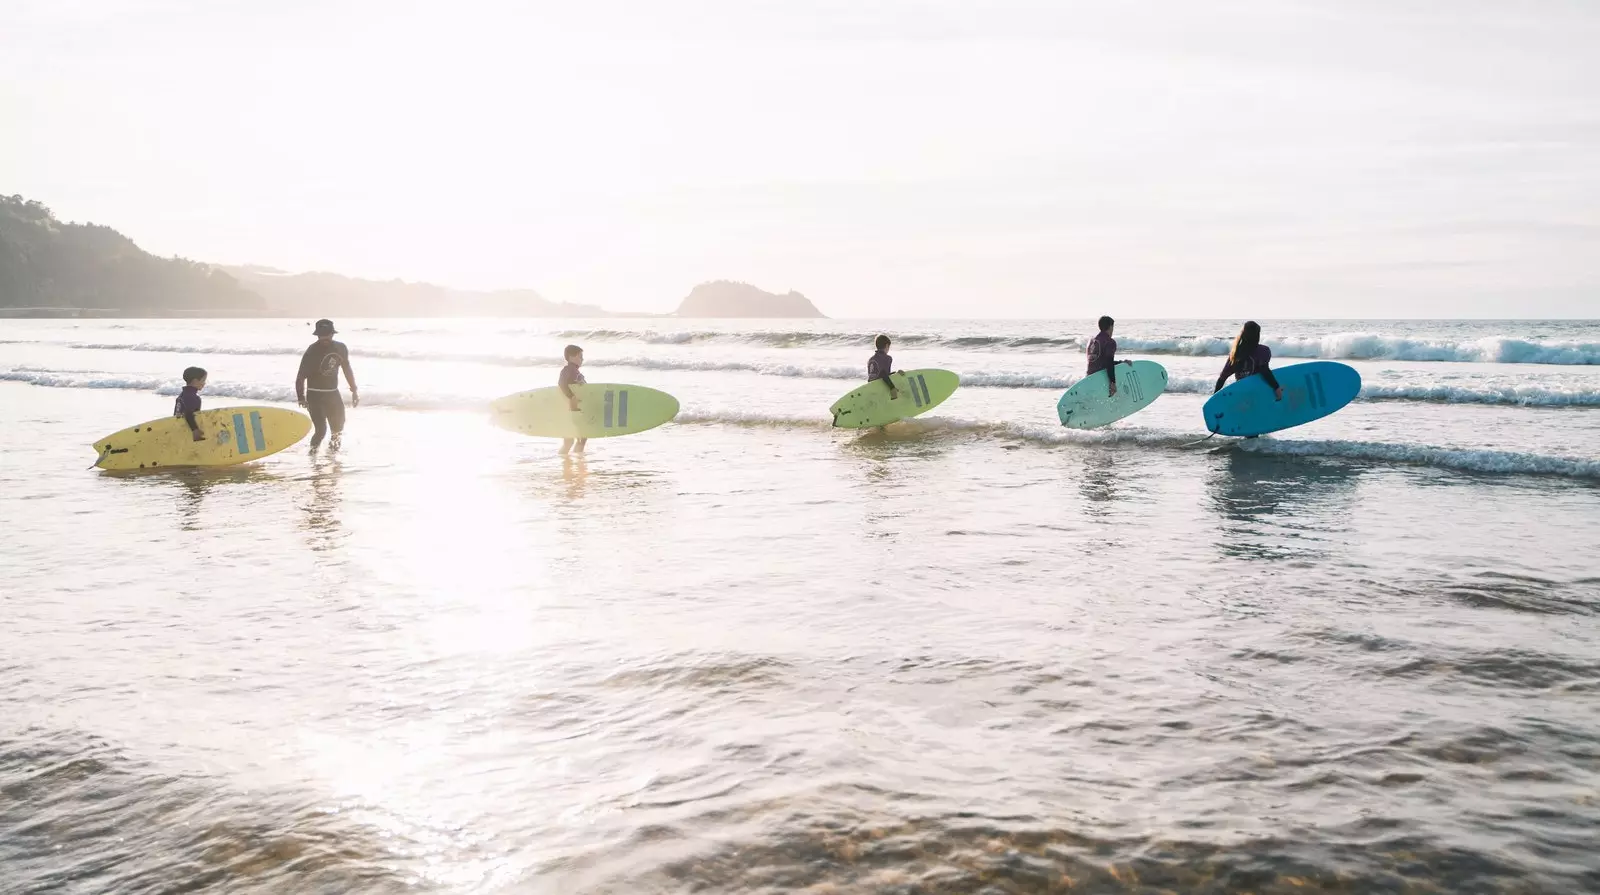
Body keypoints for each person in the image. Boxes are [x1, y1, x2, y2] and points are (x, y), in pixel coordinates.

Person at [295, 319, 359, 449]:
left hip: (333, 394)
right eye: (321, 335)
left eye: (327, 335)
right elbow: (301, 376)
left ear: (332, 334)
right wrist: (301, 397)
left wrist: (354, 390)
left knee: (338, 430)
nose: (324, 338)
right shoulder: (311, 351)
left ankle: (333, 459)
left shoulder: (340, 348)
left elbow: (346, 369)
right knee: (321, 431)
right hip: (314, 395)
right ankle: (312, 458)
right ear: (317, 335)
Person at [1214, 320, 1283, 401]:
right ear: (1257, 335)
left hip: (1242, 394)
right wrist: (1276, 387)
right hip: (1259, 392)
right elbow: (1265, 372)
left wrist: (1214, 397)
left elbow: (1222, 378)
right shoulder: (1263, 351)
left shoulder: (1235, 354)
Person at [558, 344, 587, 456]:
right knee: (573, 440)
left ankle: (573, 459)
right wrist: (571, 396)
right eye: (580, 356)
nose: (582, 359)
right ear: (572, 357)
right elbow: (561, 383)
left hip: (574, 411)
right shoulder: (569, 370)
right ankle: (573, 461)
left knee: (575, 440)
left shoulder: (573, 370)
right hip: (572, 412)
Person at [1086, 315, 1123, 397]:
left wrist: (1121, 363)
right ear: (1110, 327)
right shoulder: (1109, 342)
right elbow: (1109, 363)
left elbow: (1099, 361)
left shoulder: (1091, 341)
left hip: (1088, 378)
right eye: (1113, 327)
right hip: (1100, 379)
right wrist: (1112, 383)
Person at [174, 366, 207, 442]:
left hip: (178, 431)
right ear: (195, 381)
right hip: (188, 433)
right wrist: (195, 430)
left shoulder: (182, 395)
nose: (204, 383)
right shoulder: (193, 397)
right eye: (203, 380)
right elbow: (188, 413)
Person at [868, 334, 899, 400]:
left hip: (870, 388)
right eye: (889, 347)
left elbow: (875, 376)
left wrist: (895, 373)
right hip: (881, 388)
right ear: (887, 345)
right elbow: (884, 374)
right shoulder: (887, 358)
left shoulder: (871, 360)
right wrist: (892, 388)